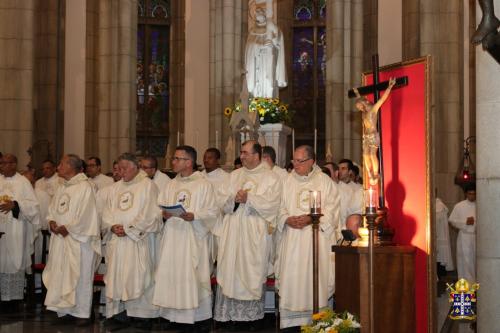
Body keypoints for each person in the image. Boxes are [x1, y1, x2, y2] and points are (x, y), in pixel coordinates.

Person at [213, 140, 281, 330]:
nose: (241, 156)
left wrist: (249, 198)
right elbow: (220, 200)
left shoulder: (271, 177)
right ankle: (232, 318)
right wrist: (233, 200)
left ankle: (252, 319)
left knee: (250, 273)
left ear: (257, 155)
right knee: (231, 271)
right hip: (233, 230)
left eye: (245, 153)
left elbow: (273, 204)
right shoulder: (234, 175)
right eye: (241, 153)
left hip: (255, 233)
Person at [154, 146, 219, 332]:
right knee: (172, 275)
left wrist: (195, 215)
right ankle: (171, 315)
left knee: (192, 276)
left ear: (188, 162)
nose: (172, 161)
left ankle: (196, 318)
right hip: (173, 237)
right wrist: (163, 214)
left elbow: (213, 212)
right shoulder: (171, 184)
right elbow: (160, 206)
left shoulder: (203, 184)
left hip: (192, 238)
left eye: (176, 158)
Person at [275, 146, 340, 330]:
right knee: (292, 279)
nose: (295, 164)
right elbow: (279, 208)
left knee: (315, 279)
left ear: (311, 161)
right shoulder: (287, 181)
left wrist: (311, 219)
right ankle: (292, 324)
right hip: (293, 240)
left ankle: (317, 321)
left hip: (315, 240)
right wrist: (287, 219)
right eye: (294, 160)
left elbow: (333, 210)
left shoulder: (324, 182)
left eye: (300, 161)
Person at [102, 153, 160, 329]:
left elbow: (151, 214)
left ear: (136, 167)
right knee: (118, 276)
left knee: (141, 275)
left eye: (125, 168)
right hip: (118, 242)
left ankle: (143, 315)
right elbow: (106, 213)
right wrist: (112, 226)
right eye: (119, 168)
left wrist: (128, 229)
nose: (121, 171)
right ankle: (120, 313)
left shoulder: (148, 186)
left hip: (138, 241)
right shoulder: (114, 188)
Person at [42, 154, 101, 325]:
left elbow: (87, 214)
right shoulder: (62, 187)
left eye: (61, 163)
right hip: (61, 239)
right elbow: (53, 209)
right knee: (61, 274)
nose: (58, 167)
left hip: (79, 241)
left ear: (71, 167)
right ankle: (64, 310)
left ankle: (82, 314)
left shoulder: (85, 187)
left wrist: (68, 228)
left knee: (80, 276)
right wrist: (52, 221)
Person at [0, 154, 40, 309]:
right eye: (1, 163)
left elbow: (33, 207)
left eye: (5, 163)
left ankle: (12, 301)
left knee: (12, 262)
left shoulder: (23, 182)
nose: (2, 166)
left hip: (15, 229)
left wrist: (15, 206)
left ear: (14, 164)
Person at [353, 77, 396, 186]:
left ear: (364, 104)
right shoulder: (364, 113)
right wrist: (357, 93)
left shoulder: (373, 109)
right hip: (366, 136)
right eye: (359, 107)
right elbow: (360, 99)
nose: (360, 109)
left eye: (360, 106)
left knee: (372, 154)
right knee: (365, 155)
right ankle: (369, 173)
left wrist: (389, 87)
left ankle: (376, 174)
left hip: (373, 135)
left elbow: (382, 99)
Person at [245, 7, 287, 98]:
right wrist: (260, 45)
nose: (257, 14)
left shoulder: (272, 28)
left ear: (265, 14)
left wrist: (273, 41)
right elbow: (249, 48)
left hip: (267, 62)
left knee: (268, 81)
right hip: (256, 63)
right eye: (256, 13)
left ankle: (268, 103)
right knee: (255, 87)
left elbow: (279, 41)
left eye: (260, 12)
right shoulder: (252, 31)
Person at [449, 183, 477, 282]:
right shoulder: (459, 206)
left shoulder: (480, 206)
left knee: (475, 262)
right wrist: (465, 222)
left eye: (474, 194)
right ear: (466, 194)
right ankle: (466, 288)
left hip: (477, 238)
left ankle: (476, 287)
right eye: (470, 193)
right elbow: (452, 220)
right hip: (464, 238)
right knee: (464, 262)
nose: (472, 196)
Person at [436, 197, 454, 277]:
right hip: (439, 235)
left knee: (440, 258)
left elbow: (437, 220)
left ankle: (440, 275)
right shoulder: (437, 205)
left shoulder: (439, 205)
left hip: (440, 234)